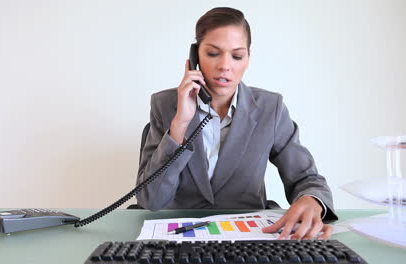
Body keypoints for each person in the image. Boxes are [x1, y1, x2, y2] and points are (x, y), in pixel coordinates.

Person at [136, 7, 338, 240]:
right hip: (179, 238)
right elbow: (151, 199)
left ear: (248, 58)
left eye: (237, 56)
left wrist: (312, 200)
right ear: (195, 56)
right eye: (213, 53)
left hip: (247, 237)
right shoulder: (166, 105)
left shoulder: (270, 109)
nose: (225, 65)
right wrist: (180, 122)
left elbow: (307, 179)